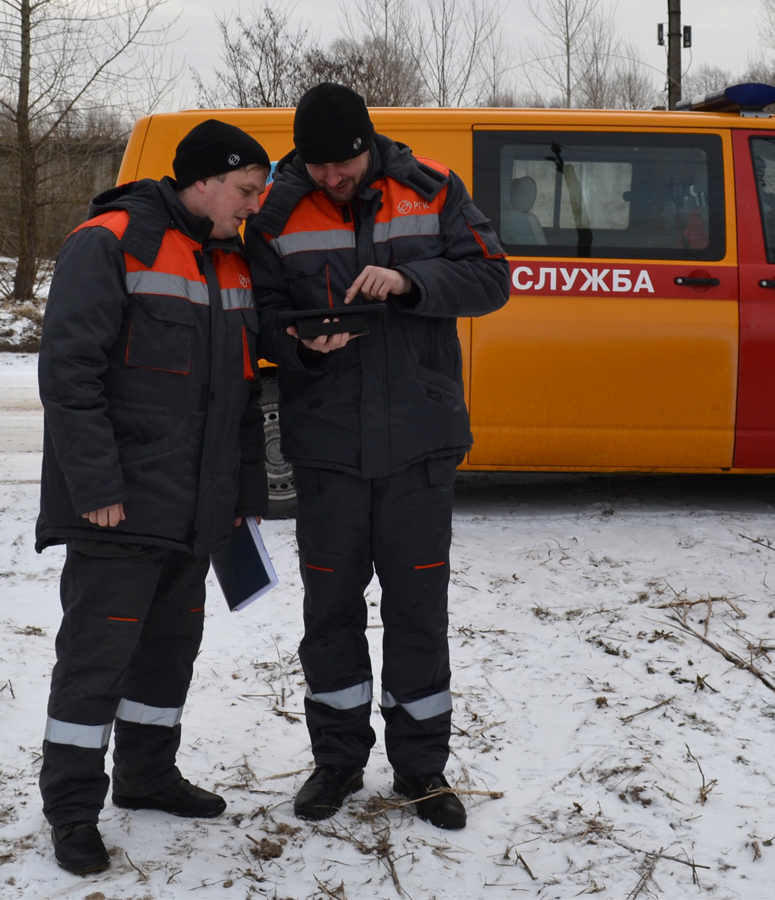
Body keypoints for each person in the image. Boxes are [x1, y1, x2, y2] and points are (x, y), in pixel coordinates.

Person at [245, 82, 510, 831]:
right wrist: (295, 340)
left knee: (418, 611)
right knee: (329, 613)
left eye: (345, 163)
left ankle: (422, 769)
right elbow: (254, 316)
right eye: (318, 166)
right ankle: (336, 763)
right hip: (327, 448)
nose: (332, 178)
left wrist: (411, 280)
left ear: (369, 142)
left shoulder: (432, 187)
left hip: (419, 446)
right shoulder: (275, 211)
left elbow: (494, 278)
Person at [34, 119, 271, 875]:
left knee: (169, 655)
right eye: (244, 190)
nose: (252, 205)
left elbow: (236, 394)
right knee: (96, 661)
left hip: (195, 508)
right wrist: (94, 486)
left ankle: (146, 775)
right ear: (202, 181)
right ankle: (73, 809)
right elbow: (69, 376)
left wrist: (239, 494)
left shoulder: (232, 262)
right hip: (120, 507)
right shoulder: (109, 241)